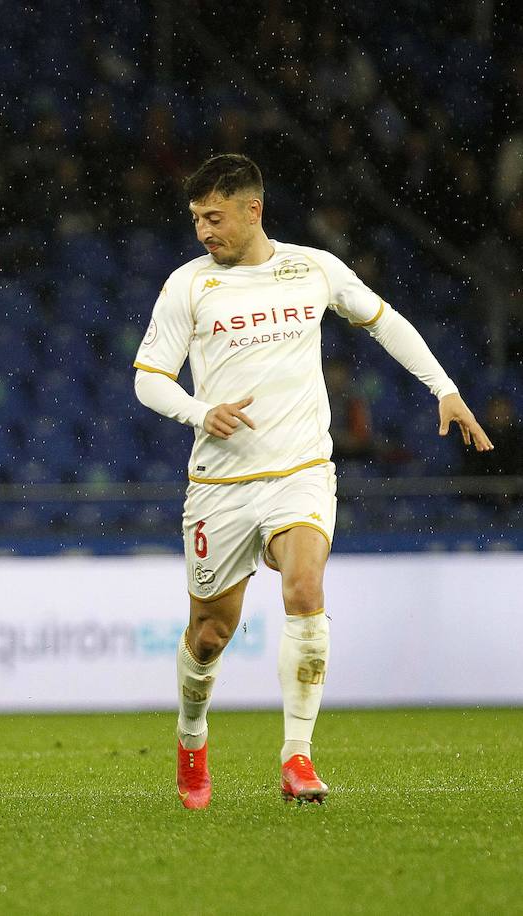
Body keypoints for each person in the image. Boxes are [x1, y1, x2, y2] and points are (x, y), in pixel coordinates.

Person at [132, 154, 493, 809]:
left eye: (213, 217)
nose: (203, 231)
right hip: (220, 485)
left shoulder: (312, 268)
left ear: (252, 210)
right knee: (210, 635)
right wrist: (198, 409)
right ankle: (191, 736)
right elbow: (148, 376)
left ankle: (297, 756)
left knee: (304, 586)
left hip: (300, 471)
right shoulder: (188, 285)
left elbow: (383, 319)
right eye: (195, 220)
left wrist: (445, 389)